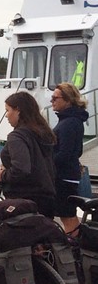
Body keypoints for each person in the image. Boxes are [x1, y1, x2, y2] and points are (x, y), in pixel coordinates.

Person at [0, 91, 57, 218]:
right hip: (46, 195)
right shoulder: (43, 132)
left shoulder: (17, 136)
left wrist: (3, 175)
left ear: (18, 111)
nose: (6, 116)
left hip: (24, 200)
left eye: (8, 110)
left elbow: (21, 169)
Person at [51, 83, 88, 235]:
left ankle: (77, 249)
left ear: (68, 100)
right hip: (69, 176)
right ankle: (77, 246)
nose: (52, 101)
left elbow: (65, 154)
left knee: (68, 217)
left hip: (64, 178)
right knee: (67, 216)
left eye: (55, 98)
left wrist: (46, 162)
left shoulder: (69, 123)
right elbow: (77, 151)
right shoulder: (72, 120)